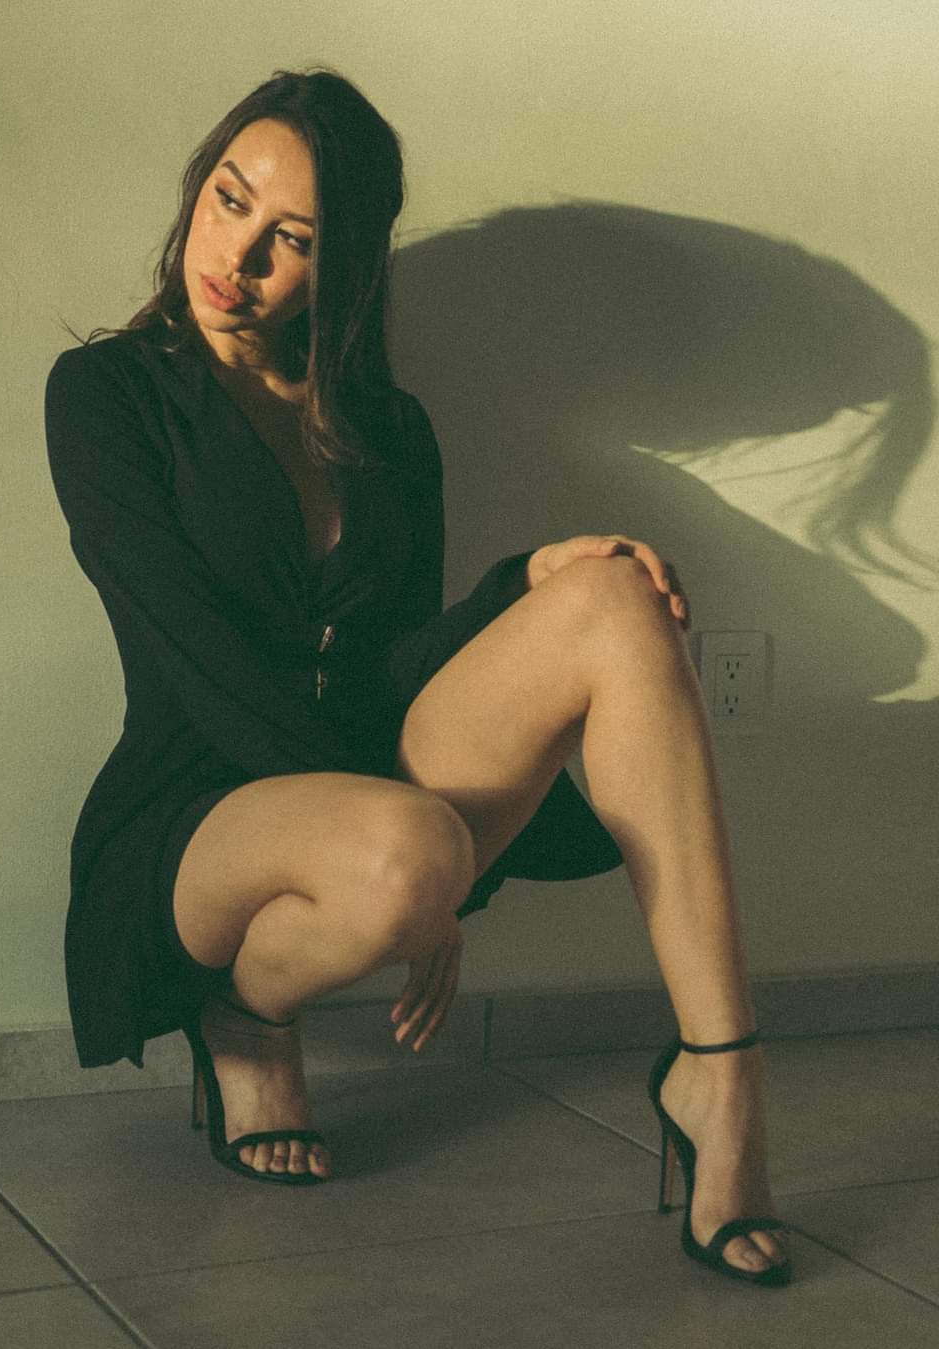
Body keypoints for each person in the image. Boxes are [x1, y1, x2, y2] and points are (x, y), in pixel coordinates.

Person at [44, 67, 791, 1287]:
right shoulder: (106, 396)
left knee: (613, 591)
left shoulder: (388, 430)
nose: (241, 256)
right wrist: (424, 847)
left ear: (340, 265)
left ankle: (722, 1068)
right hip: (193, 801)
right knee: (409, 849)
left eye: (293, 239)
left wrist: (522, 582)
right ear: (198, 190)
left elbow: (389, 664)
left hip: (362, 779)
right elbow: (199, 659)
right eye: (230, 200)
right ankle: (244, 1015)